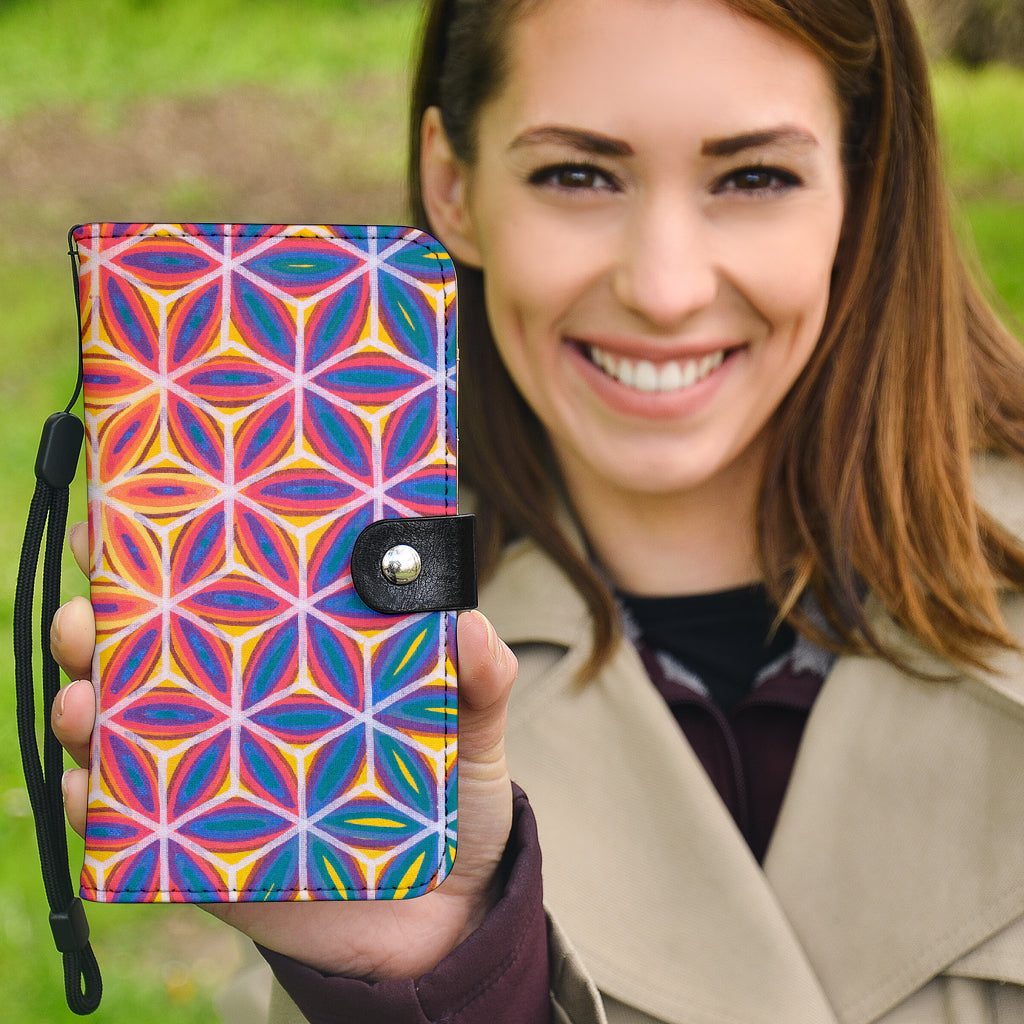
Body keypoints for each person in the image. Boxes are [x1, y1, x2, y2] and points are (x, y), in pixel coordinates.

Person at [49, 0, 1024, 1020]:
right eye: (577, 175)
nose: (664, 289)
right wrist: (439, 979)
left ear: (863, 187)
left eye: (753, 178)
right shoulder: (354, 711)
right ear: (452, 185)